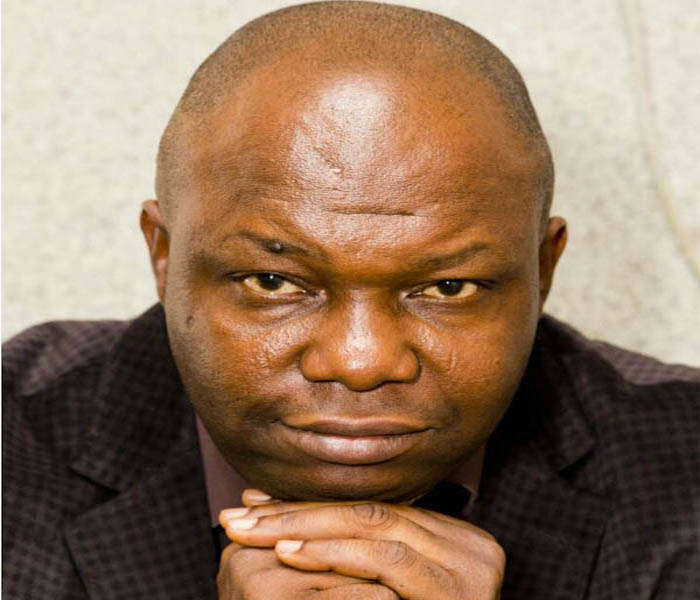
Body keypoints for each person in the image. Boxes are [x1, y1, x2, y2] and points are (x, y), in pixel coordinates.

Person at [3, 2, 699, 598]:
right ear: (164, 255)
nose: (360, 362)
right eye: (273, 283)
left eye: (447, 288)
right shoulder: (15, 456)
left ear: (543, 270)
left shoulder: (684, 475)